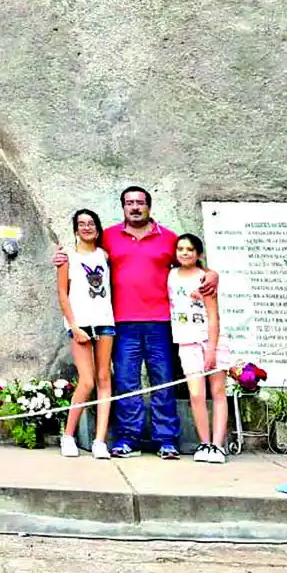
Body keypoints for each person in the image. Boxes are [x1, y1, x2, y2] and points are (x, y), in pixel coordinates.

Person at [52, 186, 219, 459]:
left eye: (140, 202)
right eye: (129, 203)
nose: (135, 207)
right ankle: (128, 438)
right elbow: (83, 253)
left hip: (160, 322)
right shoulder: (109, 238)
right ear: (123, 207)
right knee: (126, 383)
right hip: (122, 322)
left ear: (149, 207)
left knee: (162, 380)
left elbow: (193, 262)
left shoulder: (168, 238)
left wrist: (213, 274)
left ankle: (166, 440)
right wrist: (61, 257)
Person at [56, 208, 114, 460]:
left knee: (104, 379)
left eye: (91, 223)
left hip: (105, 322)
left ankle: (100, 440)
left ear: (98, 227)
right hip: (80, 324)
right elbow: (62, 294)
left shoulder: (105, 255)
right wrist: (74, 326)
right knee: (87, 381)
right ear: (75, 229)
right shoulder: (66, 257)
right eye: (81, 224)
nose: (87, 227)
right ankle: (68, 436)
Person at [170, 233, 228, 464]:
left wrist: (212, 349)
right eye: (181, 249)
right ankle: (204, 443)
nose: (185, 253)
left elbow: (213, 316)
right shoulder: (171, 276)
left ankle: (218, 444)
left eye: (190, 249)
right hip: (186, 341)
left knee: (218, 392)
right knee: (196, 393)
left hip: (210, 340)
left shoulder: (205, 278)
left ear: (199, 254)